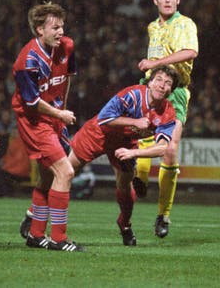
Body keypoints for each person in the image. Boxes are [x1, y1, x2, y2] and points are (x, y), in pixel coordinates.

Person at [68, 66, 180, 246]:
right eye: (158, 79)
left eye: (168, 83)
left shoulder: (167, 112)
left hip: (125, 142)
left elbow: (162, 148)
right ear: (150, 82)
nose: (162, 85)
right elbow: (104, 118)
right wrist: (135, 121)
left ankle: (125, 225)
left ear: (171, 90)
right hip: (98, 133)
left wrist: (134, 152)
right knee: (66, 171)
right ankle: (35, 216)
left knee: (126, 183)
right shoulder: (132, 95)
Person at [12, 2, 82, 252]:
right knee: (65, 172)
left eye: (62, 26)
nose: (61, 31)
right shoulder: (26, 62)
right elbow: (31, 102)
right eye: (55, 27)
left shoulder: (67, 46)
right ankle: (59, 239)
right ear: (39, 29)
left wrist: (60, 115)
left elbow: (66, 81)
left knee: (48, 176)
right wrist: (59, 113)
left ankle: (35, 234)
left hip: (53, 116)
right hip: (33, 119)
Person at [135, 0, 199, 238]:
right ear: (155, 0)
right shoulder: (152, 27)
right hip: (151, 91)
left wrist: (156, 64)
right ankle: (140, 177)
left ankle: (163, 215)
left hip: (176, 93)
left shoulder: (185, 23)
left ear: (178, 0)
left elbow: (190, 52)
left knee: (170, 150)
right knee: (142, 136)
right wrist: (150, 68)